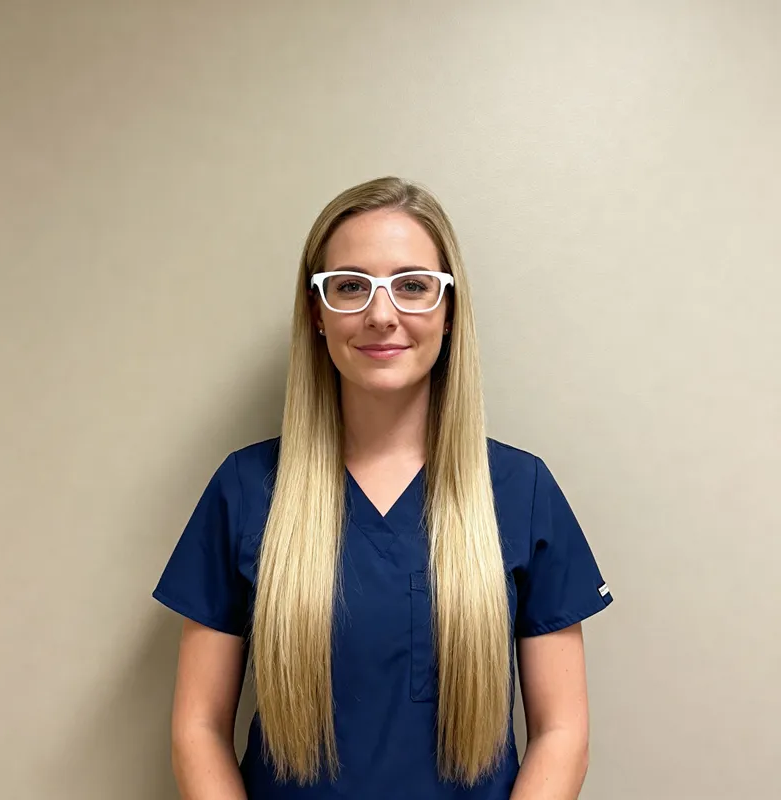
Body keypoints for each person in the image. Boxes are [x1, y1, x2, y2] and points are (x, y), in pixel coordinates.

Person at [152, 176, 613, 800]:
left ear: (449, 312)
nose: (381, 314)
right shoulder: (246, 488)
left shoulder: (521, 490)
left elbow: (563, 732)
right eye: (349, 286)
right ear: (317, 313)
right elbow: (198, 728)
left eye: (413, 286)